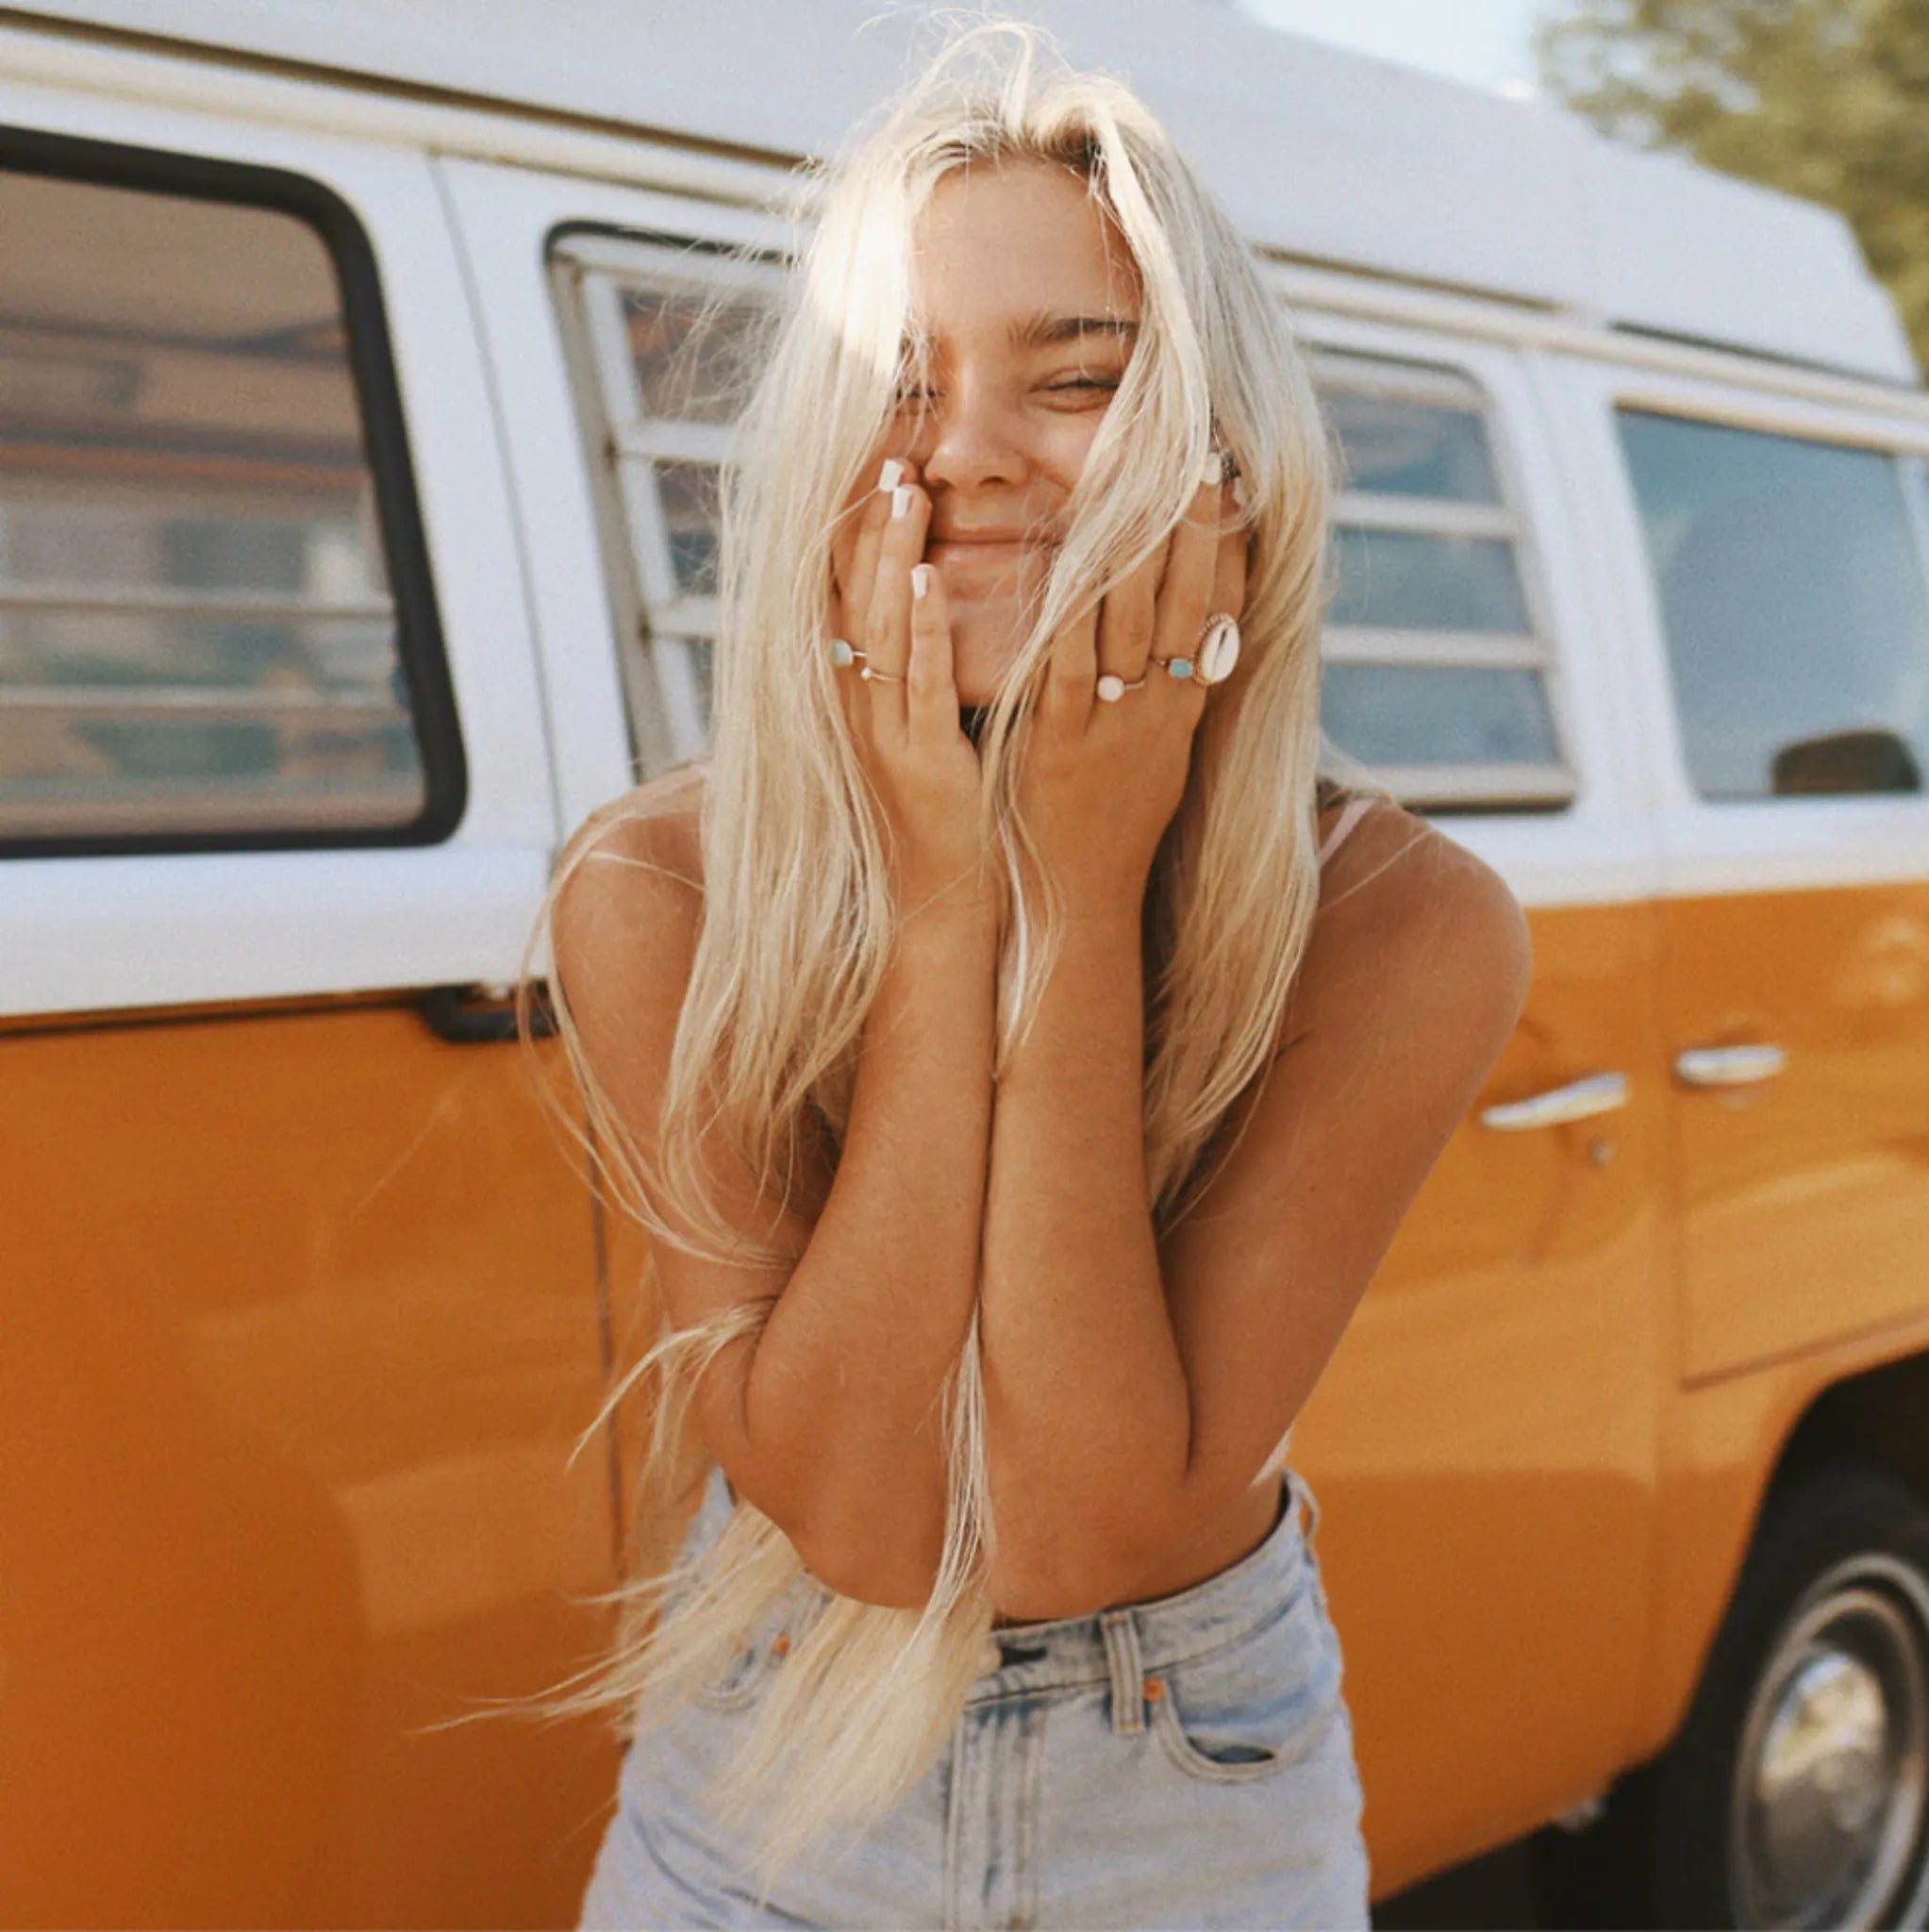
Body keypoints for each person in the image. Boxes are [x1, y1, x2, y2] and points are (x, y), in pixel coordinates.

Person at [532, 22, 1532, 1929]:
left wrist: (1073, 896)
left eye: (1076, 382)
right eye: (892, 387)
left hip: (1191, 1801)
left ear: (1221, 458)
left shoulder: (1405, 920)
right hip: (758, 1795)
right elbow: (859, 1515)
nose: (969, 455)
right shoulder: (656, 882)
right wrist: (942, 913)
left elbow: (1080, 1530)